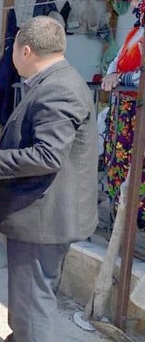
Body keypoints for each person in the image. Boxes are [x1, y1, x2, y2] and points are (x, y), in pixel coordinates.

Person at [0, 16, 98, 342]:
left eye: (12, 52)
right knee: (25, 289)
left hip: (46, 214)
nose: (11, 61)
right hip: (36, 206)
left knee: (35, 294)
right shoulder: (53, 82)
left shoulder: (59, 89)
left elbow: (46, 155)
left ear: (26, 50)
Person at [101, 0, 145, 230]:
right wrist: (115, 75)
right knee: (121, 166)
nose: (133, 3)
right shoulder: (136, 33)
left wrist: (121, 78)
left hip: (139, 116)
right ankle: (120, 221)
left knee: (139, 168)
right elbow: (114, 66)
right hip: (124, 115)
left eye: (138, 1)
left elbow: (139, 77)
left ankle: (135, 227)